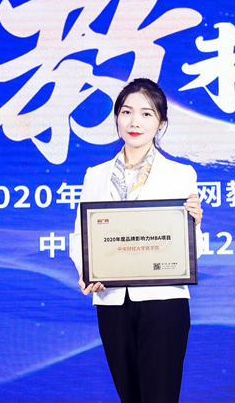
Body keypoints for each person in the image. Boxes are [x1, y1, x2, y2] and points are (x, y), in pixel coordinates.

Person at [69, 78, 203, 403]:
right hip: (111, 301)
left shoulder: (180, 174)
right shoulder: (95, 175)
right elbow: (81, 236)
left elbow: (192, 248)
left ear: (161, 122)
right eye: (127, 112)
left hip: (163, 302)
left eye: (146, 114)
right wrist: (87, 272)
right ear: (116, 117)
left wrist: (194, 224)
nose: (134, 122)